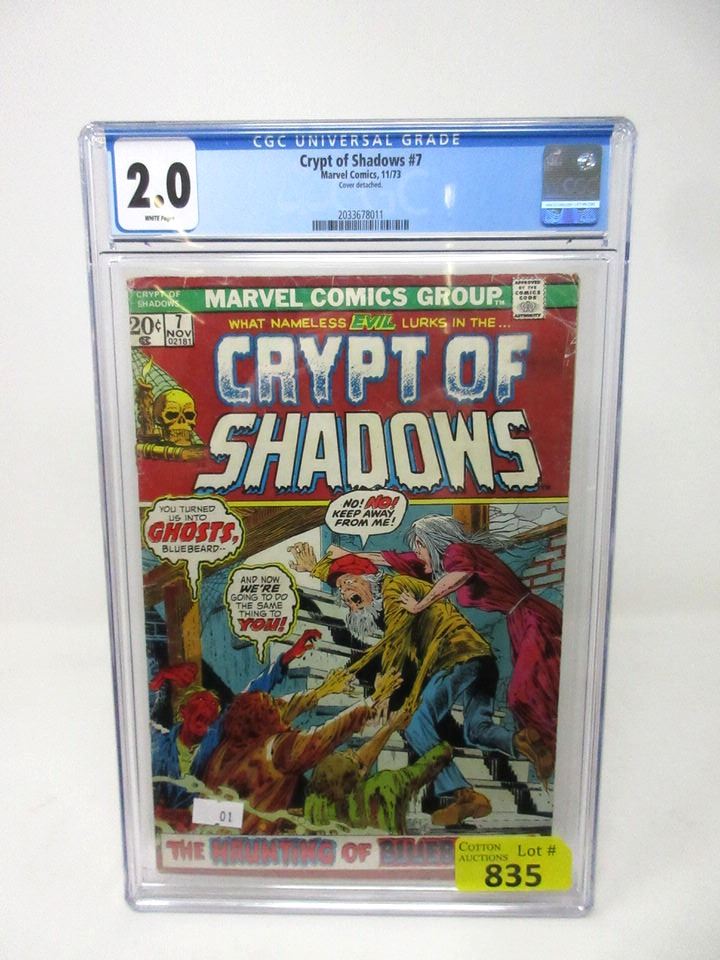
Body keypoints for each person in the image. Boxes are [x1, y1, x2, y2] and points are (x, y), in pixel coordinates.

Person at [288, 542, 545, 826]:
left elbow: (398, 639)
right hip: (479, 658)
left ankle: (464, 795)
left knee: (416, 724)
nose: (345, 593)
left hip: (452, 655)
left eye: (350, 584)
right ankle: (523, 742)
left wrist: (387, 691)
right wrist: (317, 569)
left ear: (370, 578)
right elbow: (348, 576)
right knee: (477, 729)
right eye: (342, 591)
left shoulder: (393, 592)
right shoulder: (372, 590)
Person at [329, 514, 561, 761]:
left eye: (419, 547)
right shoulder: (440, 561)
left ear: (430, 542)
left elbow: (459, 575)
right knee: (478, 729)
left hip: (533, 618)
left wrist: (419, 605)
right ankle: (532, 747)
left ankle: (551, 744)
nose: (417, 554)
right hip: (513, 626)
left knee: (524, 693)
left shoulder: (457, 551)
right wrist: (347, 555)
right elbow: (387, 558)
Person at [150, 628, 319, 829]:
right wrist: (161, 678)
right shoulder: (160, 743)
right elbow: (138, 712)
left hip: (205, 824)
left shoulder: (212, 740)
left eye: (213, 708)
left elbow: (252, 691)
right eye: (201, 702)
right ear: (183, 711)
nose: (208, 709)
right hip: (163, 827)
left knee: (243, 815)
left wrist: (288, 656)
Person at [202, 670, 401, 835]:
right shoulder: (277, 750)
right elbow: (325, 737)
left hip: (212, 828)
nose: (279, 706)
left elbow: (284, 708)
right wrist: (372, 700)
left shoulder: (233, 741)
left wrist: (323, 690)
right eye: (272, 706)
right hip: (246, 842)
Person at [304, 706, 453, 834]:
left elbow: (357, 763)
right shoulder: (384, 785)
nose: (351, 751)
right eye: (347, 756)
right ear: (358, 774)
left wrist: (391, 727)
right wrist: (445, 748)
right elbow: (422, 769)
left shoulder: (315, 803)